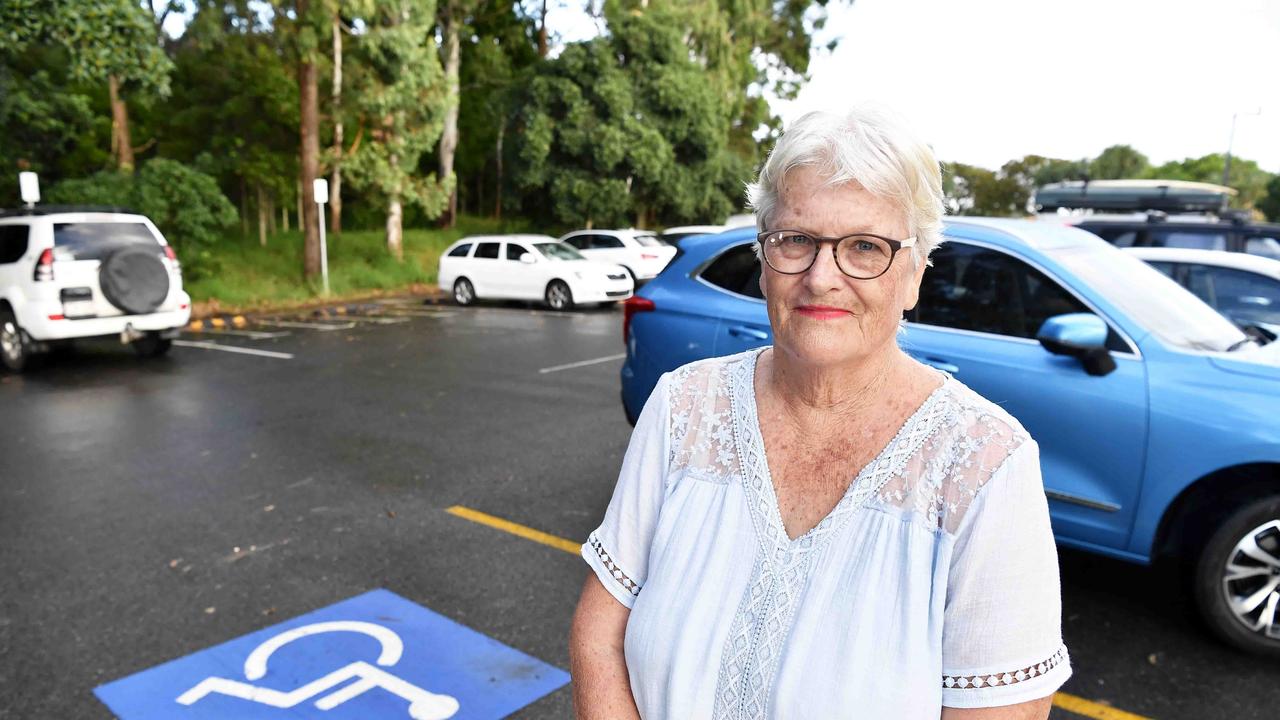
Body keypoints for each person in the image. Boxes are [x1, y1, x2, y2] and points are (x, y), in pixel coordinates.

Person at [569, 106, 1071, 719]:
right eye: (796, 240)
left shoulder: (986, 466)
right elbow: (600, 636)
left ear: (915, 273)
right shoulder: (684, 407)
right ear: (762, 260)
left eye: (865, 247)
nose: (822, 277)